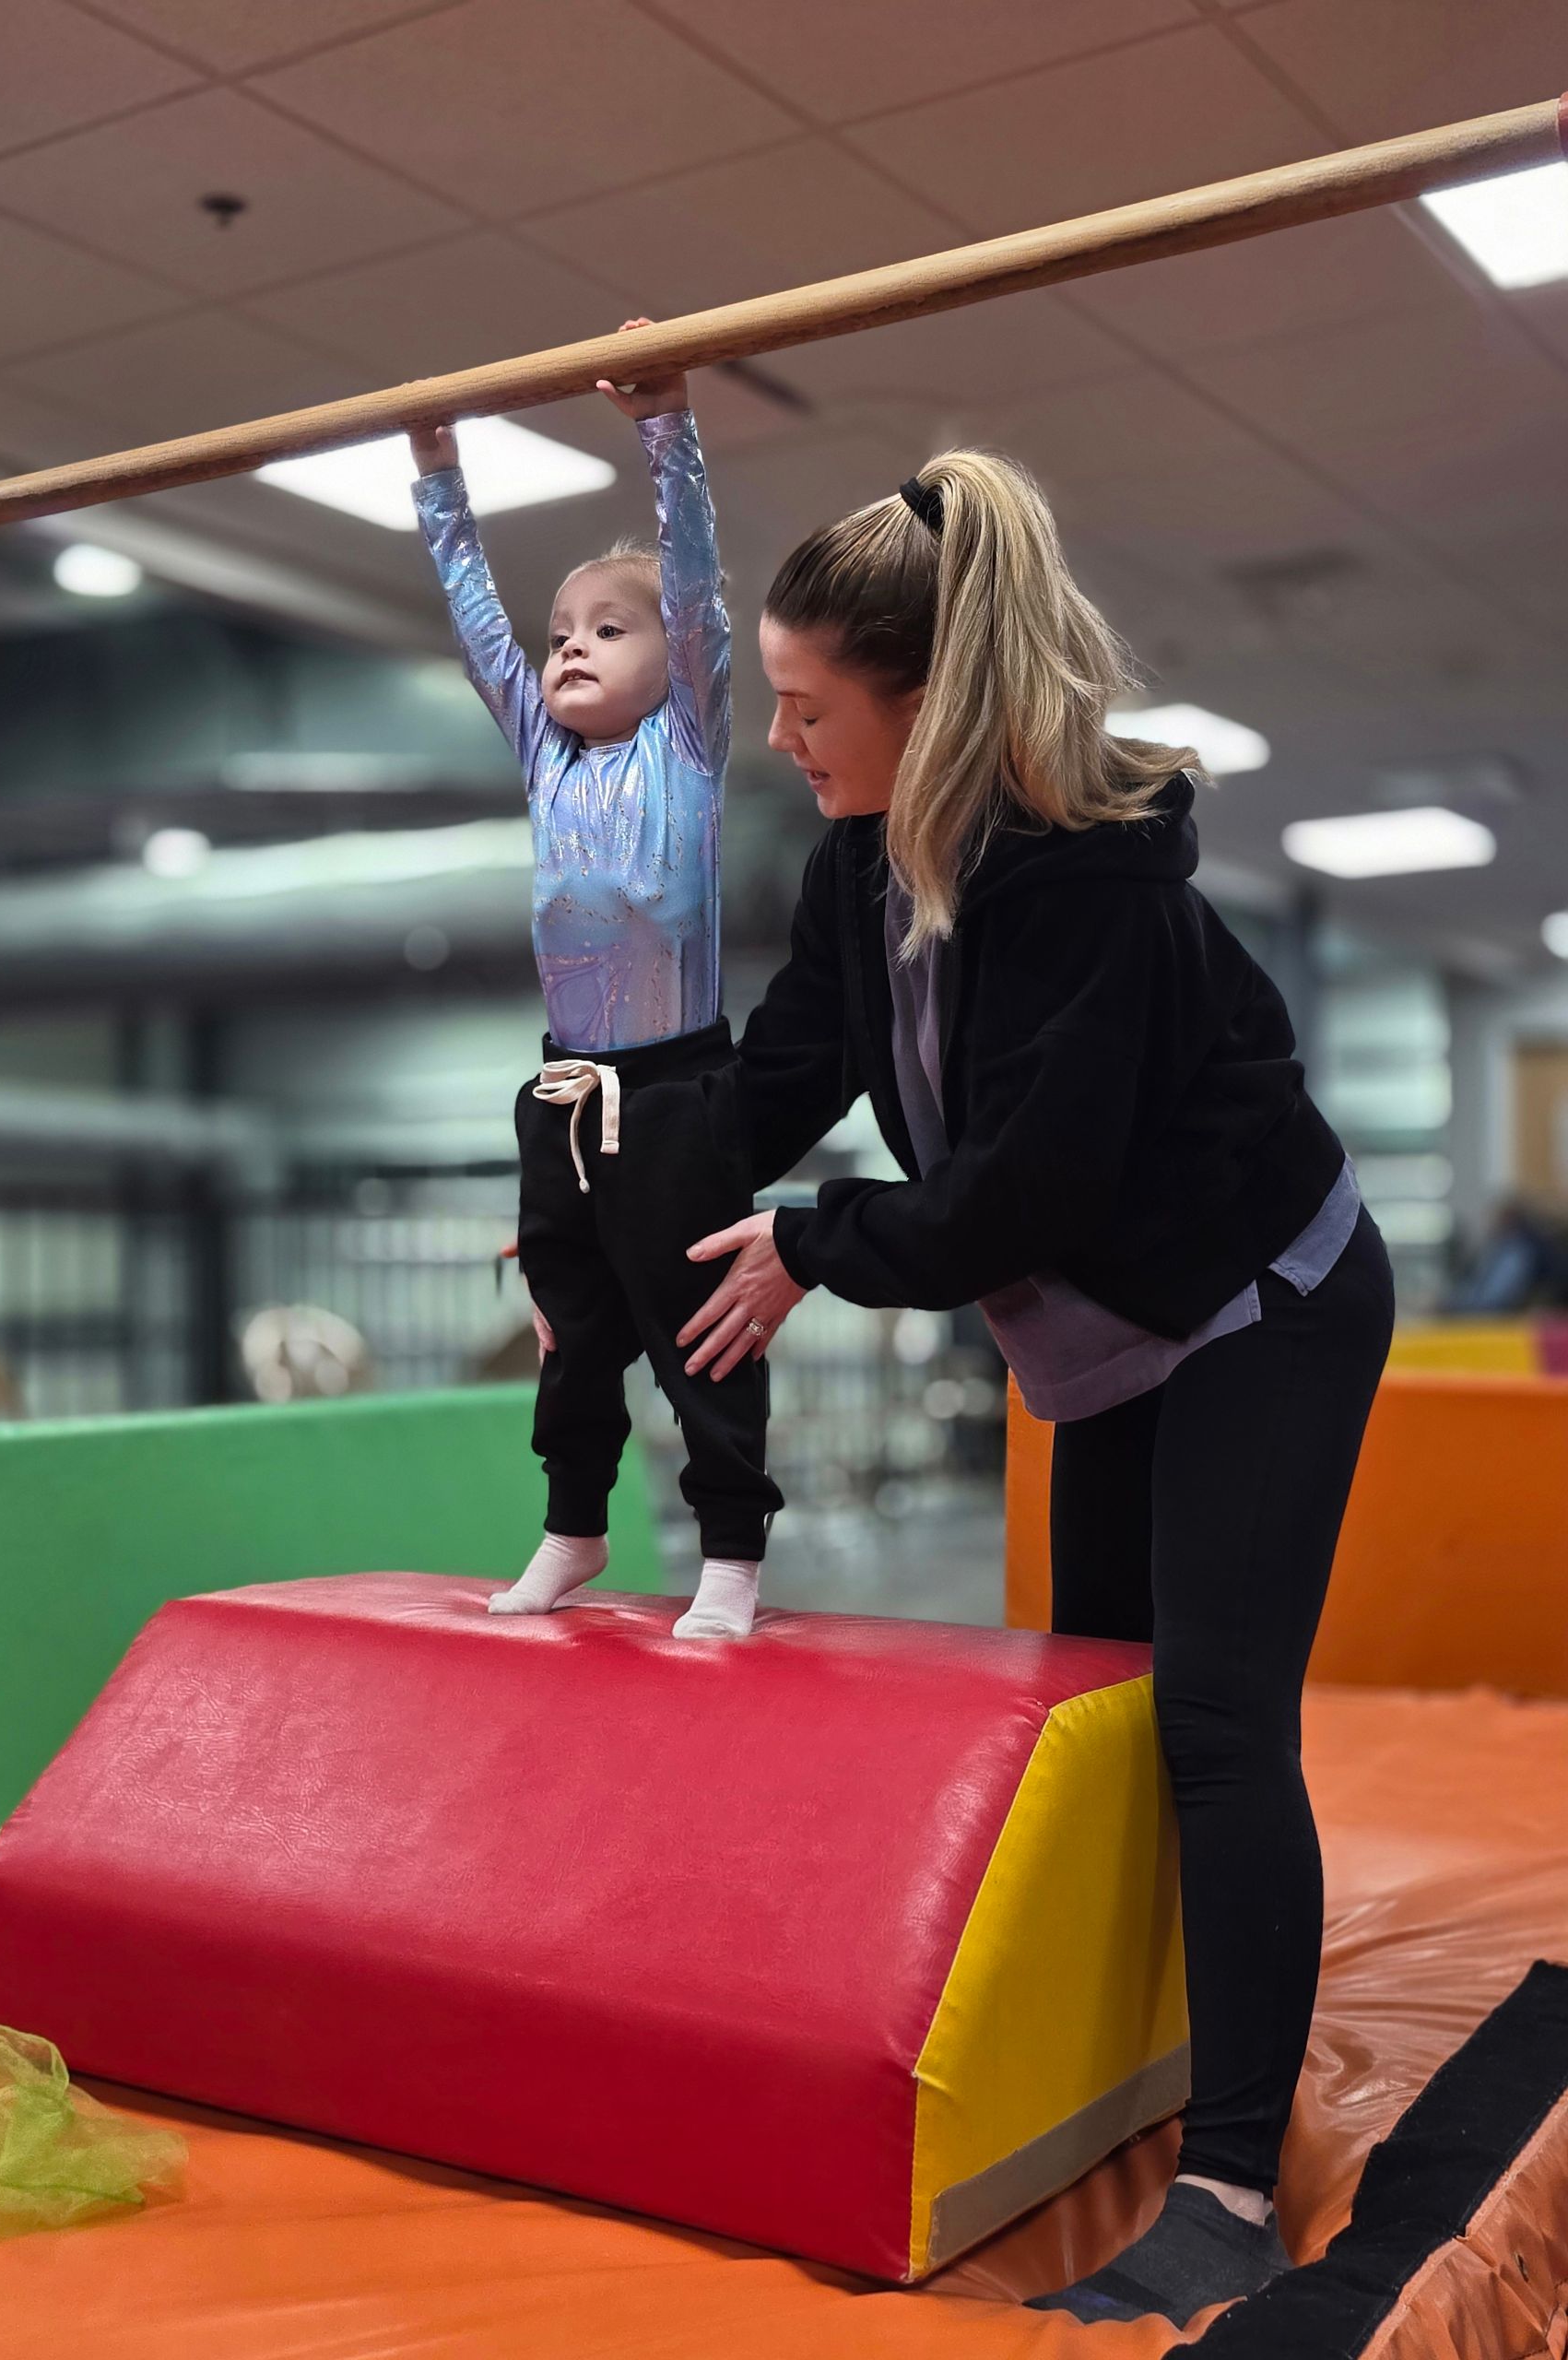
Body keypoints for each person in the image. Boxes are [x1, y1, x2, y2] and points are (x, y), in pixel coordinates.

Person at [674, 450, 1395, 2324]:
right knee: (1094, 1700)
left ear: (920, 703)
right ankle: (1132, 2059)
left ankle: (1231, 2167)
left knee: (1214, 1724)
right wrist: (606, 1188)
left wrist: (812, 1244)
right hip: (1107, 1320)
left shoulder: (1082, 881)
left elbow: (1031, 1184)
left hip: (1260, 1298)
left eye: (811, 706)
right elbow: (781, 1077)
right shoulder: (860, 865)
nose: (781, 735)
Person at [410, 324, 779, 1641]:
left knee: (698, 1337)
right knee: (569, 1338)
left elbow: (692, 589)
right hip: (562, 1090)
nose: (568, 647)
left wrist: (666, 425)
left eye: (606, 630)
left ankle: (730, 1551)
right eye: (560, 631)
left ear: (667, 658)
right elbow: (472, 617)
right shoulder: (542, 757)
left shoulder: (686, 742)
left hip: (677, 1091)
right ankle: (574, 1528)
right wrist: (434, 466)